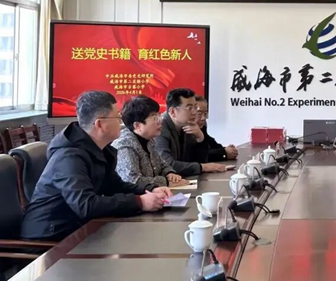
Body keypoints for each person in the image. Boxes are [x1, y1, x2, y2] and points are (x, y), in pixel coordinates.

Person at [21, 91, 171, 241]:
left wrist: (150, 189)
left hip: (79, 228)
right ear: (100, 124)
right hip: (51, 237)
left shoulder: (98, 148)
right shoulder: (69, 157)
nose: (121, 122)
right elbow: (86, 205)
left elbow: (114, 185)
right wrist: (140, 202)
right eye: (117, 117)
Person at [113, 96, 190, 188]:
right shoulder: (125, 145)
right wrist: (165, 182)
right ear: (137, 125)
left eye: (159, 115)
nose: (160, 121)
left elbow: (162, 165)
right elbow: (132, 180)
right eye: (154, 118)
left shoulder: (149, 140)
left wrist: (170, 173)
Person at [155, 88, 226, 176]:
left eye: (195, 107)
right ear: (173, 112)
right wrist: (203, 167)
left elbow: (198, 160)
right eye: (189, 108)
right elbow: (167, 164)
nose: (194, 112)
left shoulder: (188, 125)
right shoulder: (159, 128)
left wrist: (200, 137)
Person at [195, 96, 238, 161]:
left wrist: (227, 149)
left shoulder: (202, 126)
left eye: (205, 114)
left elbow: (211, 144)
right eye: (199, 114)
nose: (203, 118)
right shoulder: (184, 130)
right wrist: (224, 153)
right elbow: (199, 155)